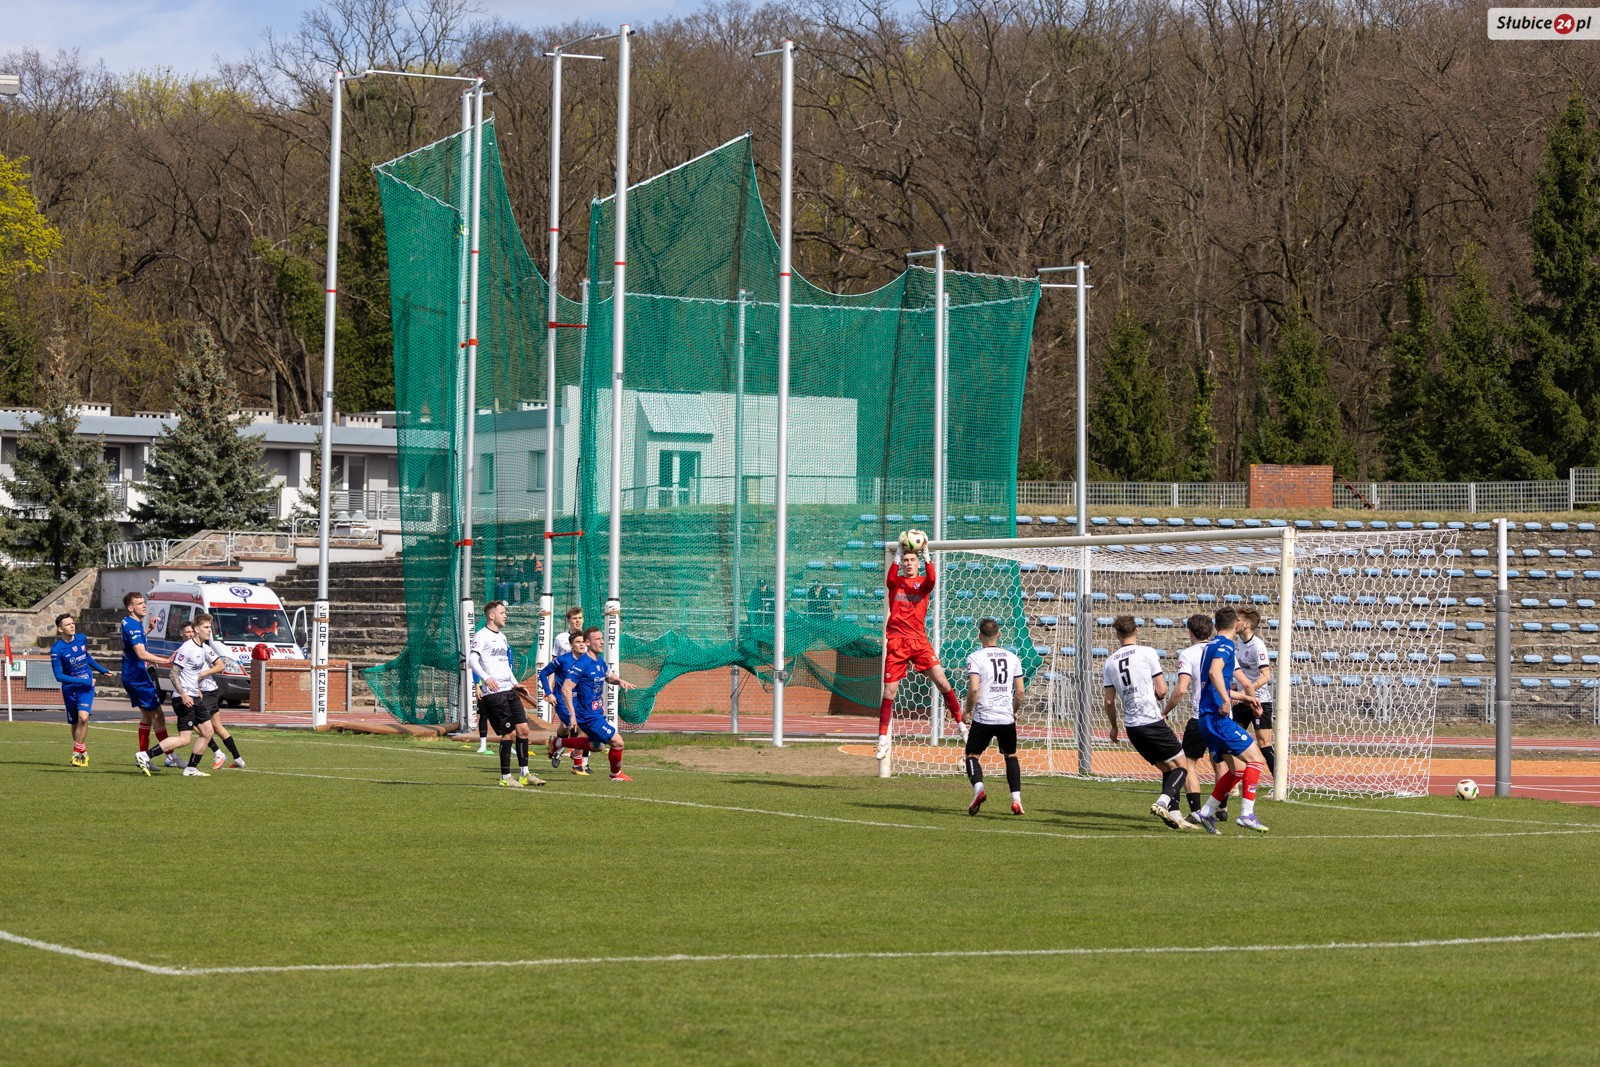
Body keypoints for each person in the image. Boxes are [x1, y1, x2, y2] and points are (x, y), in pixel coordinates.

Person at [876, 538, 967, 761]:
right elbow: (890, 577)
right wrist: (898, 551)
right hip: (897, 642)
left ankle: (961, 726)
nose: (908, 563)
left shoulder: (923, 583)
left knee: (943, 683)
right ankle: (882, 740)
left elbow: (933, 578)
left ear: (918, 564)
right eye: (906, 560)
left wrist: (926, 554)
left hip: (919, 642)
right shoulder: (895, 583)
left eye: (912, 560)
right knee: (889, 693)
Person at [1103, 616, 1192, 830]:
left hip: (1132, 727)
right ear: (1137, 630)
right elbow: (1161, 690)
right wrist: (1158, 696)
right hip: (1151, 721)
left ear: (1117, 634)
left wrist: (1114, 727)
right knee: (1182, 766)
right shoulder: (1147, 652)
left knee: (1168, 768)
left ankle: (1174, 815)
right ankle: (1162, 802)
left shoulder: (1109, 662)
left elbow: (1109, 701)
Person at [1191, 607, 1270, 834]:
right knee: (1256, 760)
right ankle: (1246, 814)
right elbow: (1215, 673)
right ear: (1235, 624)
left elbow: (1214, 683)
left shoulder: (1210, 646)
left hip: (1206, 718)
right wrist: (1226, 701)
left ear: (1216, 625)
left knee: (1237, 769)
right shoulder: (1226, 646)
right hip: (1217, 717)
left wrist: (1244, 697)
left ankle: (1206, 812)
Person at [136, 613, 228, 777]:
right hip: (183, 699)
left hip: (194, 696)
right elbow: (173, 673)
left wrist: (196, 688)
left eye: (210, 627)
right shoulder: (187, 648)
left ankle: (191, 768)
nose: (210, 630)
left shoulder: (202, 648)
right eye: (206, 627)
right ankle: (145, 755)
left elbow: (194, 673)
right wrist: (184, 694)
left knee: (207, 732)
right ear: (197, 629)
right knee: (185, 739)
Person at [469, 600, 544, 788]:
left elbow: (505, 666)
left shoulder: (502, 637)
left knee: (523, 730)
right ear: (491, 615)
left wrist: (515, 683)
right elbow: (472, 660)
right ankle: (505, 777)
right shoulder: (481, 635)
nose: (505, 616)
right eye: (502, 613)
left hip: (509, 690)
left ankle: (525, 774)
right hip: (494, 693)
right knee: (509, 733)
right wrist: (486, 678)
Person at [961, 618, 1026, 816]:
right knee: (1010, 756)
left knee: (972, 756)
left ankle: (979, 789)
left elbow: (974, 689)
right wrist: (1014, 710)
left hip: (984, 716)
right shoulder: (1013, 658)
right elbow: (1020, 692)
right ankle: (1016, 800)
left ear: (979, 636)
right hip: (1006, 717)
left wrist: (967, 711)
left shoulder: (975, 657)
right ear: (999, 634)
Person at [554, 626, 635, 781]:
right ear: (588, 643)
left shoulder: (599, 661)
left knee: (597, 746)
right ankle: (615, 774)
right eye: (597, 639)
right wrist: (572, 715)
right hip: (588, 715)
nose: (601, 642)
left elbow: (609, 676)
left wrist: (620, 681)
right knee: (618, 742)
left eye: (602, 638)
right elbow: (566, 688)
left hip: (596, 712)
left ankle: (558, 742)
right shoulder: (582, 663)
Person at [1161, 613, 1215, 824]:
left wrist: (1166, 710)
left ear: (1190, 632)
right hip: (1223, 715)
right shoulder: (1222, 650)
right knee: (1221, 762)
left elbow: (1181, 689)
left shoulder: (1188, 654)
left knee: (1187, 763)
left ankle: (1196, 811)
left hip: (1200, 716)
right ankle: (1222, 808)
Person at [50, 612, 115, 767]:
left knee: (83, 718)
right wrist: (83, 680)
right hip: (70, 689)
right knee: (75, 723)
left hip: (86, 687)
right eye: (67, 624)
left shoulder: (81, 638)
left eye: (72, 623)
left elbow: (87, 658)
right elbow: (59, 676)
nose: (72, 626)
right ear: (60, 629)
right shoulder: (56, 649)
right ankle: (83, 752)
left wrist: (101, 670)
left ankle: (74, 754)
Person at [120, 592, 175, 763]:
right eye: (139, 603)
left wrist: (149, 629)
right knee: (158, 715)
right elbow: (141, 653)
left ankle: (143, 757)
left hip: (133, 675)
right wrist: (166, 660)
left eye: (144, 602)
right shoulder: (133, 626)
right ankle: (170, 756)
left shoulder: (129, 622)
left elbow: (135, 641)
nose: (144, 605)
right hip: (137, 677)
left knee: (147, 716)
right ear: (131, 608)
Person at [1235, 608, 1277, 775]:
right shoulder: (1239, 641)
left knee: (1264, 743)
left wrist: (1249, 689)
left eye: (1237, 620)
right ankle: (1236, 781)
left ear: (1246, 624)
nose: (1234, 623)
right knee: (1232, 739)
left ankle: (1279, 782)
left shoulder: (1258, 646)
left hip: (1260, 701)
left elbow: (1266, 675)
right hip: (1243, 700)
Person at [538, 635, 585, 773]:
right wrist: (549, 692)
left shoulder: (587, 661)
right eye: (578, 642)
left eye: (583, 642)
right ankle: (577, 765)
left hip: (579, 700)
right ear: (571, 645)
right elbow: (543, 673)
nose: (581, 644)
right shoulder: (563, 660)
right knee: (578, 727)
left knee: (565, 727)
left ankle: (556, 742)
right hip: (562, 700)